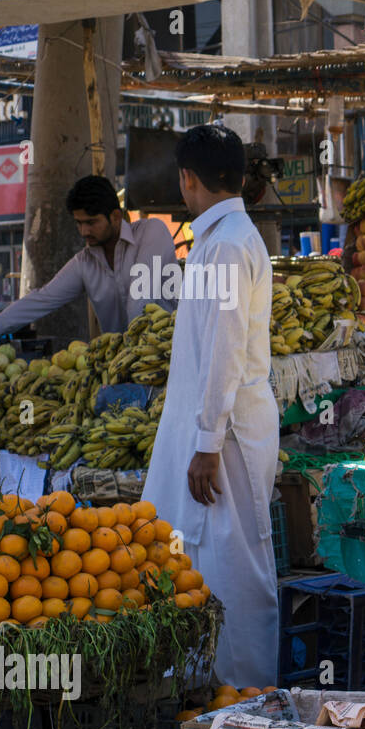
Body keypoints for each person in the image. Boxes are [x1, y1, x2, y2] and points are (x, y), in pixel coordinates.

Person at [141, 124, 279, 686]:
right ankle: (211, 690)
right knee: (210, 559)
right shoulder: (225, 237)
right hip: (221, 430)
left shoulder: (224, 244)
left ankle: (245, 696)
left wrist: (205, 445)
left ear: (187, 179)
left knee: (234, 567)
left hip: (225, 438)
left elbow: (223, 352)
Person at [0, 175, 176, 341]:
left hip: (168, 357)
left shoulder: (152, 232)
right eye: (79, 223)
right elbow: (42, 298)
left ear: (115, 216)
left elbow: (140, 299)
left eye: (91, 222)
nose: (84, 231)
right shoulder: (84, 262)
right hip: (120, 366)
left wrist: (131, 351)